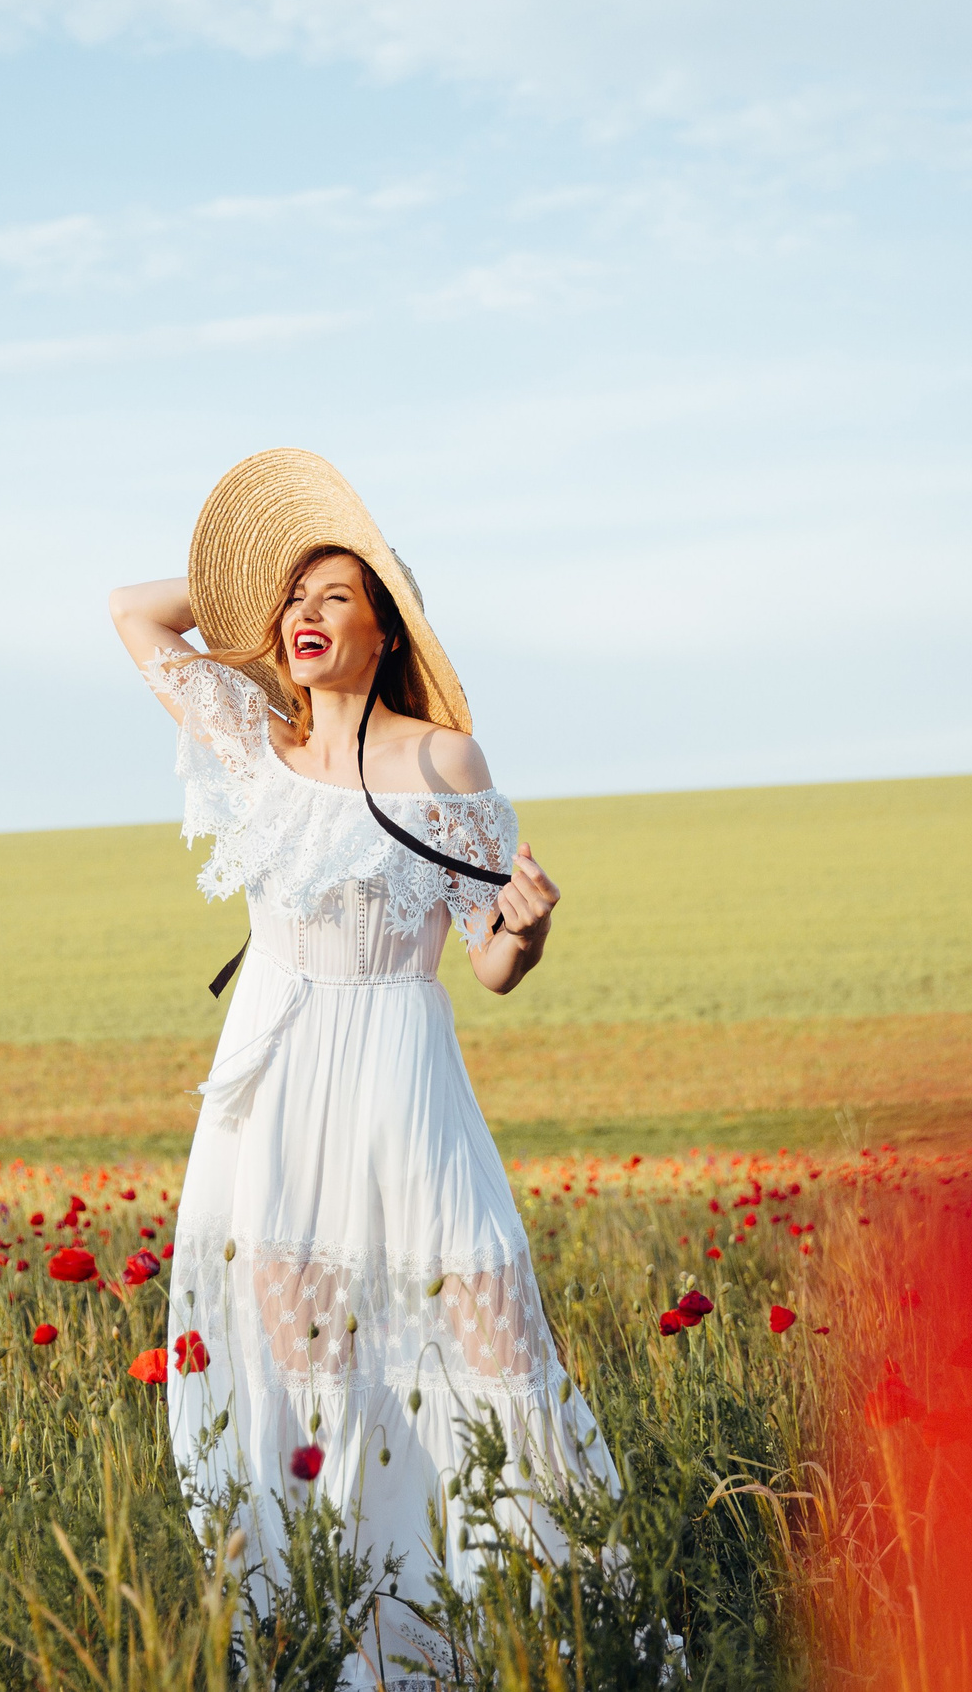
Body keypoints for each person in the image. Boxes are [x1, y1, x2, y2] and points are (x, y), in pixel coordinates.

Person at [107, 449, 618, 1685]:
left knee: (480, 1344)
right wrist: (257, 575)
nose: (305, 616)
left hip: (400, 1079)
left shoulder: (446, 762)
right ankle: (334, 1638)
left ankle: (519, 1630)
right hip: (275, 1097)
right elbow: (135, 614)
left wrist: (530, 929)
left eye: (337, 597)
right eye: (295, 601)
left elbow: (491, 958)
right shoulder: (247, 746)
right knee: (307, 1373)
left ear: (387, 626)